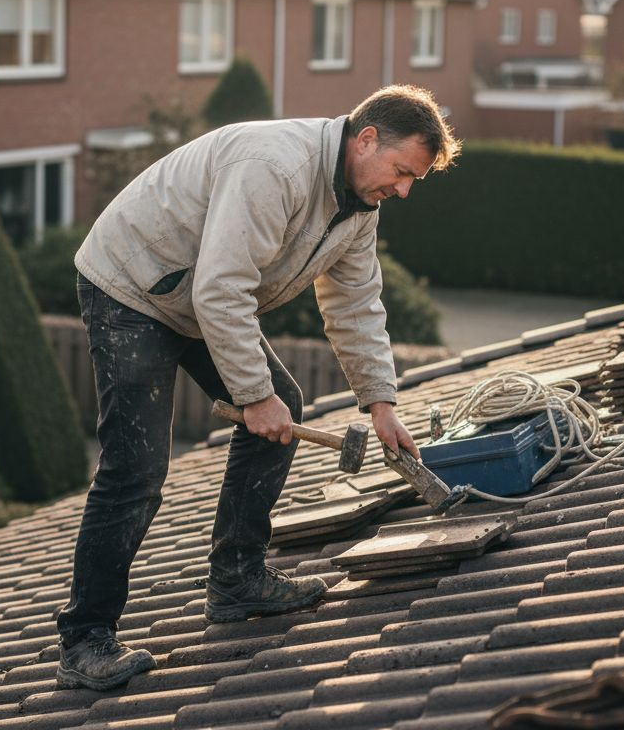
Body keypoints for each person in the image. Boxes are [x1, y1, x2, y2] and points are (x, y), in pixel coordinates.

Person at [55, 84, 461, 691]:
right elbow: (221, 290)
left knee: (284, 404)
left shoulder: (357, 207)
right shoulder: (275, 166)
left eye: (414, 182)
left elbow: (354, 303)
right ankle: (85, 640)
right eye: (401, 172)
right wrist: (252, 395)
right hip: (132, 285)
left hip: (193, 297)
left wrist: (381, 403)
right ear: (367, 138)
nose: (402, 189)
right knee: (136, 468)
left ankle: (237, 581)